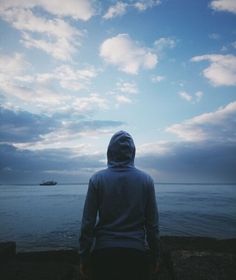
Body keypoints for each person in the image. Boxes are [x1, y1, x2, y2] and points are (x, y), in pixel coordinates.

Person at [79, 131, 160, 280]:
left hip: (103, 253)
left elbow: (87, 224)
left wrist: (84, 256)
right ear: (133, 152)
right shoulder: (146, 180)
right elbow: (152, 225)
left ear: (109, 152)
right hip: (136, 254)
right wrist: (155, 255)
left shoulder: (97, 179)